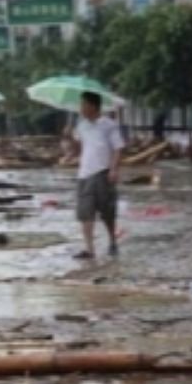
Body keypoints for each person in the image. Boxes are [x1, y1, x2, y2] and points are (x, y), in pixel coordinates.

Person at [71, 91, 124, 260]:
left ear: (93, 106)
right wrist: (69, 139)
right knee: (85, 212)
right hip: (84, 174)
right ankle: (90, 249)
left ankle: (112, 240)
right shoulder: (81, 126)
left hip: (102, 172)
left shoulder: (109, 125)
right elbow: (78, 149)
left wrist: (114, 169)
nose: (81, 108)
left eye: (83, 104)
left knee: (107, 211)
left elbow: (118, 148)